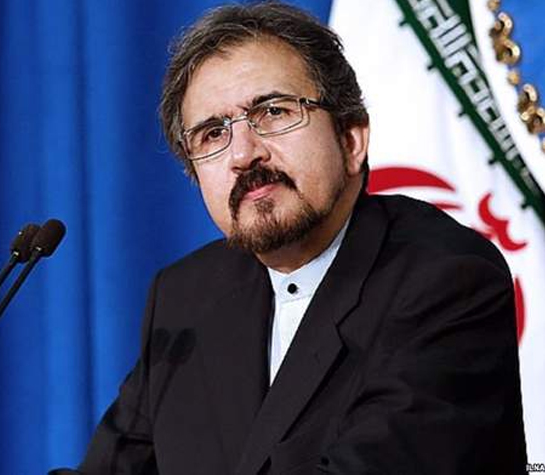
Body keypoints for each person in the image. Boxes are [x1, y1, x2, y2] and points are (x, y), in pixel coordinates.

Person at [67, 2, 527, 474]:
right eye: (212, 134)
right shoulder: (185, 298)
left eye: (273, 112)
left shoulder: (445, 280)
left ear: (351, 139)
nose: (243, 154)